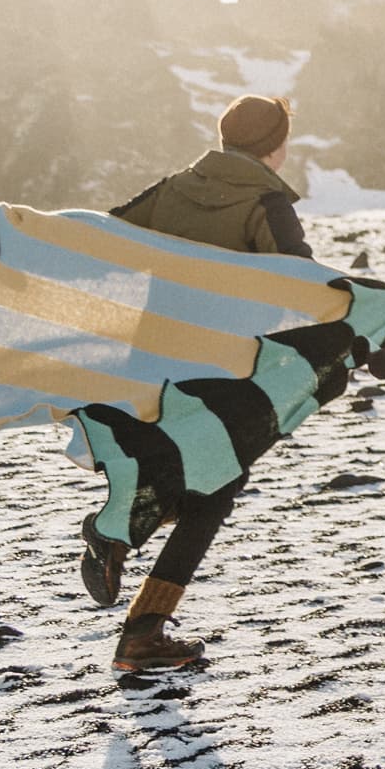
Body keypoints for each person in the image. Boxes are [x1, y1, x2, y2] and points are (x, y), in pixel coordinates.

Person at [85, 93, 313, 672]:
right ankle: (139, 622)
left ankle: (121, 550)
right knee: (214, 489)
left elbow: (105, 238)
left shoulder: (171, 190)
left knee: (196, 482)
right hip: (219, 373)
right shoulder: (267, 203)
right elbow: (306, 290)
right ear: (277, 146)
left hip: (149, 365)